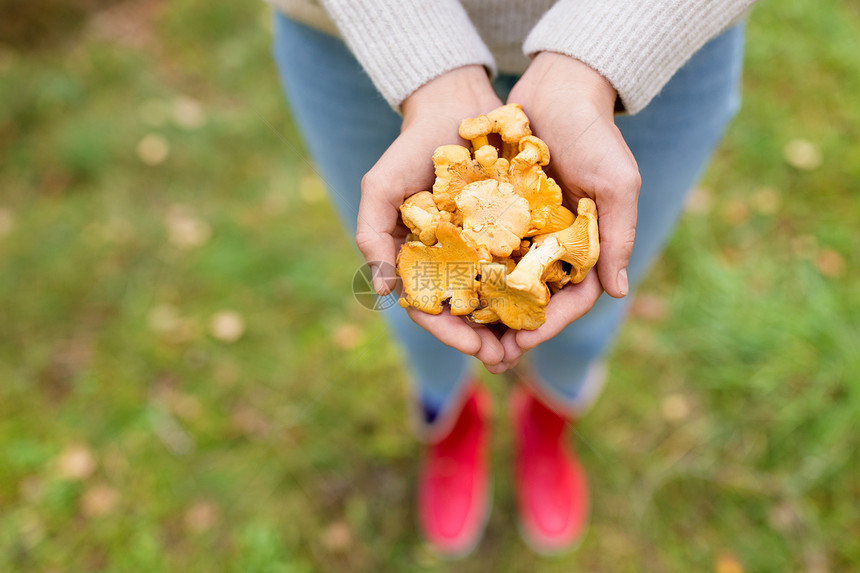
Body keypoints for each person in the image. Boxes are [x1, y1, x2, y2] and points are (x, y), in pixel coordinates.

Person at [269, 0, 755, 557]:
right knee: (411, 314)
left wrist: (600, 52)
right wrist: (425, 59)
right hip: (359, 32)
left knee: (596, 301)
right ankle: (449, 424)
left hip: (662, 33)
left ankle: (547, 425)